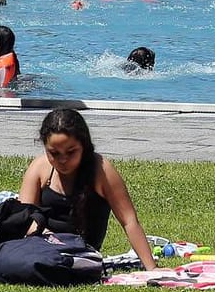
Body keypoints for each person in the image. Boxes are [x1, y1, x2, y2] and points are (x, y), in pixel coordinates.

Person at [19, 109, 156, 266]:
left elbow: (129, 220)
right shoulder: (40, 167)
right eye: (54, 153)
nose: (62, 160)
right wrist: (46, 236)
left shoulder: (101, 170)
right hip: (43, 247)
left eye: (71, 152)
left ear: (83, 146)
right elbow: (24, 218)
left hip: (82, 255)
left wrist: (151, 267)